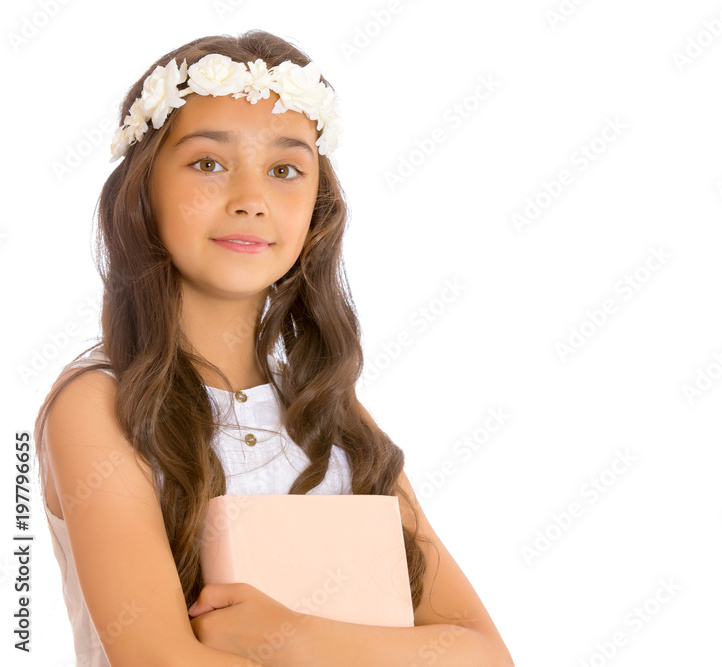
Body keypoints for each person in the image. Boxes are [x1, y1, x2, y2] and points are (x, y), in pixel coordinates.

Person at [33, 29, 514, 667]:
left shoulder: (328, 413)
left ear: (316, 210)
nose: (252, 201)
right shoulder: (98, 404)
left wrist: (289, 635)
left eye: (285, 170)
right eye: (208, 163)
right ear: (144, 191)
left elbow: (482, 654)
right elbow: (158, 659)